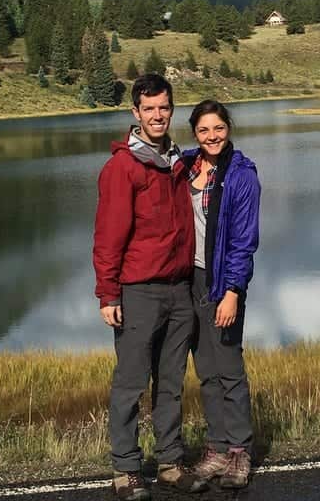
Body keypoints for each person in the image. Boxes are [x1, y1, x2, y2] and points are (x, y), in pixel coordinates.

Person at [93, 74, 207, 500]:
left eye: (164, 107)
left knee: (172, 381)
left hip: (179, 290)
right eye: (149, 109)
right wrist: (108, 293)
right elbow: (108, 237)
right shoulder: (122, 168)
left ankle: (170, 463)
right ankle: (125, 469)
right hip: (138, 291)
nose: (158, 115)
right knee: (131, 381)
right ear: (135, 113)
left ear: (171, 109)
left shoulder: (177, 161)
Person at [183, 100, 261, 489]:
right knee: (206, 371)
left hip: (221, 282)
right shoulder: (185, 166)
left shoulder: (242, 175)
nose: (212, 136)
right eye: (203, 130)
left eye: (218, 128)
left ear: (228, 128)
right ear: (194, 134)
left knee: (229, 369)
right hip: (190, 281)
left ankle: (238, 451)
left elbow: (244, 241)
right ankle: (215, 447)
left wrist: (232, 291)